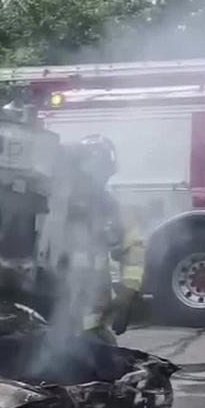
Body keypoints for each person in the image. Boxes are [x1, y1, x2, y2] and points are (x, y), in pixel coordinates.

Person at [68, 134, 146, 344]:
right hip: (51, 322)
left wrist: (127, 294)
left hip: (93, 325)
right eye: (94, 169)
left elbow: (134, 252)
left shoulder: (112, 208)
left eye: (103, 171)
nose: (99, 177)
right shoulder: (52, 205)